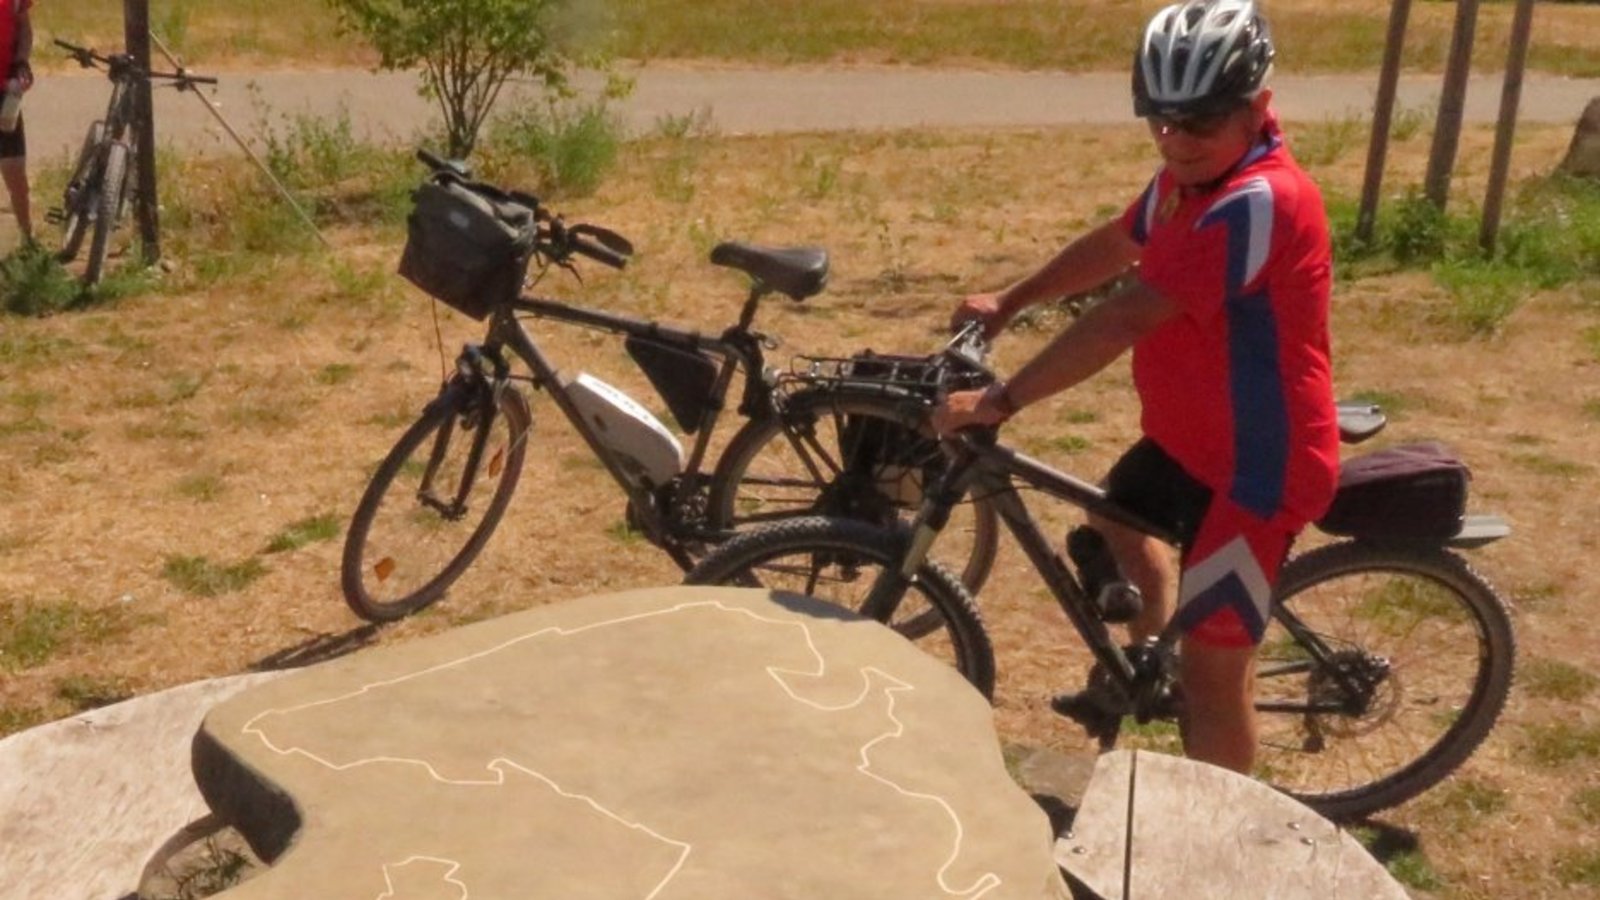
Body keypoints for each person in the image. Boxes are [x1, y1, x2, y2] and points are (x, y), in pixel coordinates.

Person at [934, 0, 1339, 774]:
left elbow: (1124, 317)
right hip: (1192, 441)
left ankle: (1213, 842)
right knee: (1114, 519)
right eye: (1159, 120)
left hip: (1259, 473)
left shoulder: (1259, 203)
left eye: (1198, 123)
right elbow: (1121, 244)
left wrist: (1002, 400)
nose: (1174, 141)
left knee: (1213, 680)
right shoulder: (1193, 177)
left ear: (1257, 107)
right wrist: (1010, 301)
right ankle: (1145, 659)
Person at [0, 0, 32, 244]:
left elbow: (23, 27)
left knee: (15, 170)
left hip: (4, 92)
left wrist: (21, 62)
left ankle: (27, 239)